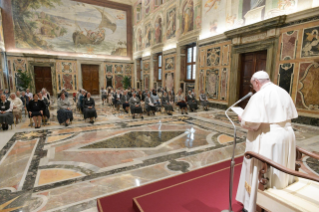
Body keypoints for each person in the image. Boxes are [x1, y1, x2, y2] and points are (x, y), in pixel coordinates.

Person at [236, 71, 298, 212]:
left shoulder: (260, 96)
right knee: (281, 170)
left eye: (253, 86)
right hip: (287, 135)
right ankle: (279, 205)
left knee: (262, 171)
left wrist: (242, 118)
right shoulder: (282, 92)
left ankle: (257, 205)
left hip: (268, 138)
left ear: (257, 82)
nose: (254, 89)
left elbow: (252, 123)